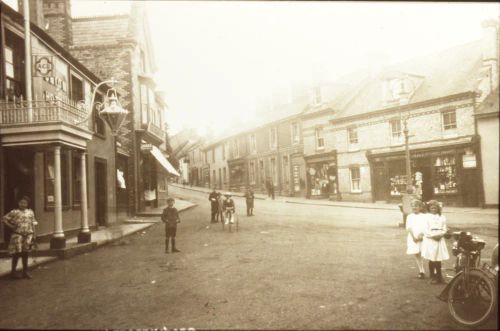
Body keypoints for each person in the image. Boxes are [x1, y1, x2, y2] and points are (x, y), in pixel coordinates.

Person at [2, 196, 37, 279]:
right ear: (18, 203)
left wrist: (34, 235)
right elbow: (4, 219)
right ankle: (13, 272)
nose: (23, 204)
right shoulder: (14, 212)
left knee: (25, 253)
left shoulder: (30, 212)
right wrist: (11, 226)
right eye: (21, 202)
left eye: (25, 203)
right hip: (18, 235)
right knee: (16, 254)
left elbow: (33, 223)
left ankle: (25, 271)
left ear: (28, 204)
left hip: (28, 235)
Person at [422, 200, 449, 284]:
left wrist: (441, 235)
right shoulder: (426, 217)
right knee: (432, 257)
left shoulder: (442, 217)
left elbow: (444, 228)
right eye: (432, 208)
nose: (434, 209)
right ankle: (433, 276)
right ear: (429, 208)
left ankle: (439, 276)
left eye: (435, 208)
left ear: (438, 208)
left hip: (439, 238)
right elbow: (425, 229)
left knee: (438, 258)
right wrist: (433, 236)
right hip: (431, 239)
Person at [406, 199, 427, 279]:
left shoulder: (424, 216)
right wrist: (414, 237)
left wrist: (422, 235)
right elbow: (409, 227)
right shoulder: (409, 216)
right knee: (417, 253)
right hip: (413, 237)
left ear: (420, 207)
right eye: (413, 206)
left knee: (425, 253)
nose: (415, 207)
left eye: (417, 206)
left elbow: (426, 227)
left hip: (423, 237)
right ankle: (421, 271)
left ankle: (434, 271)